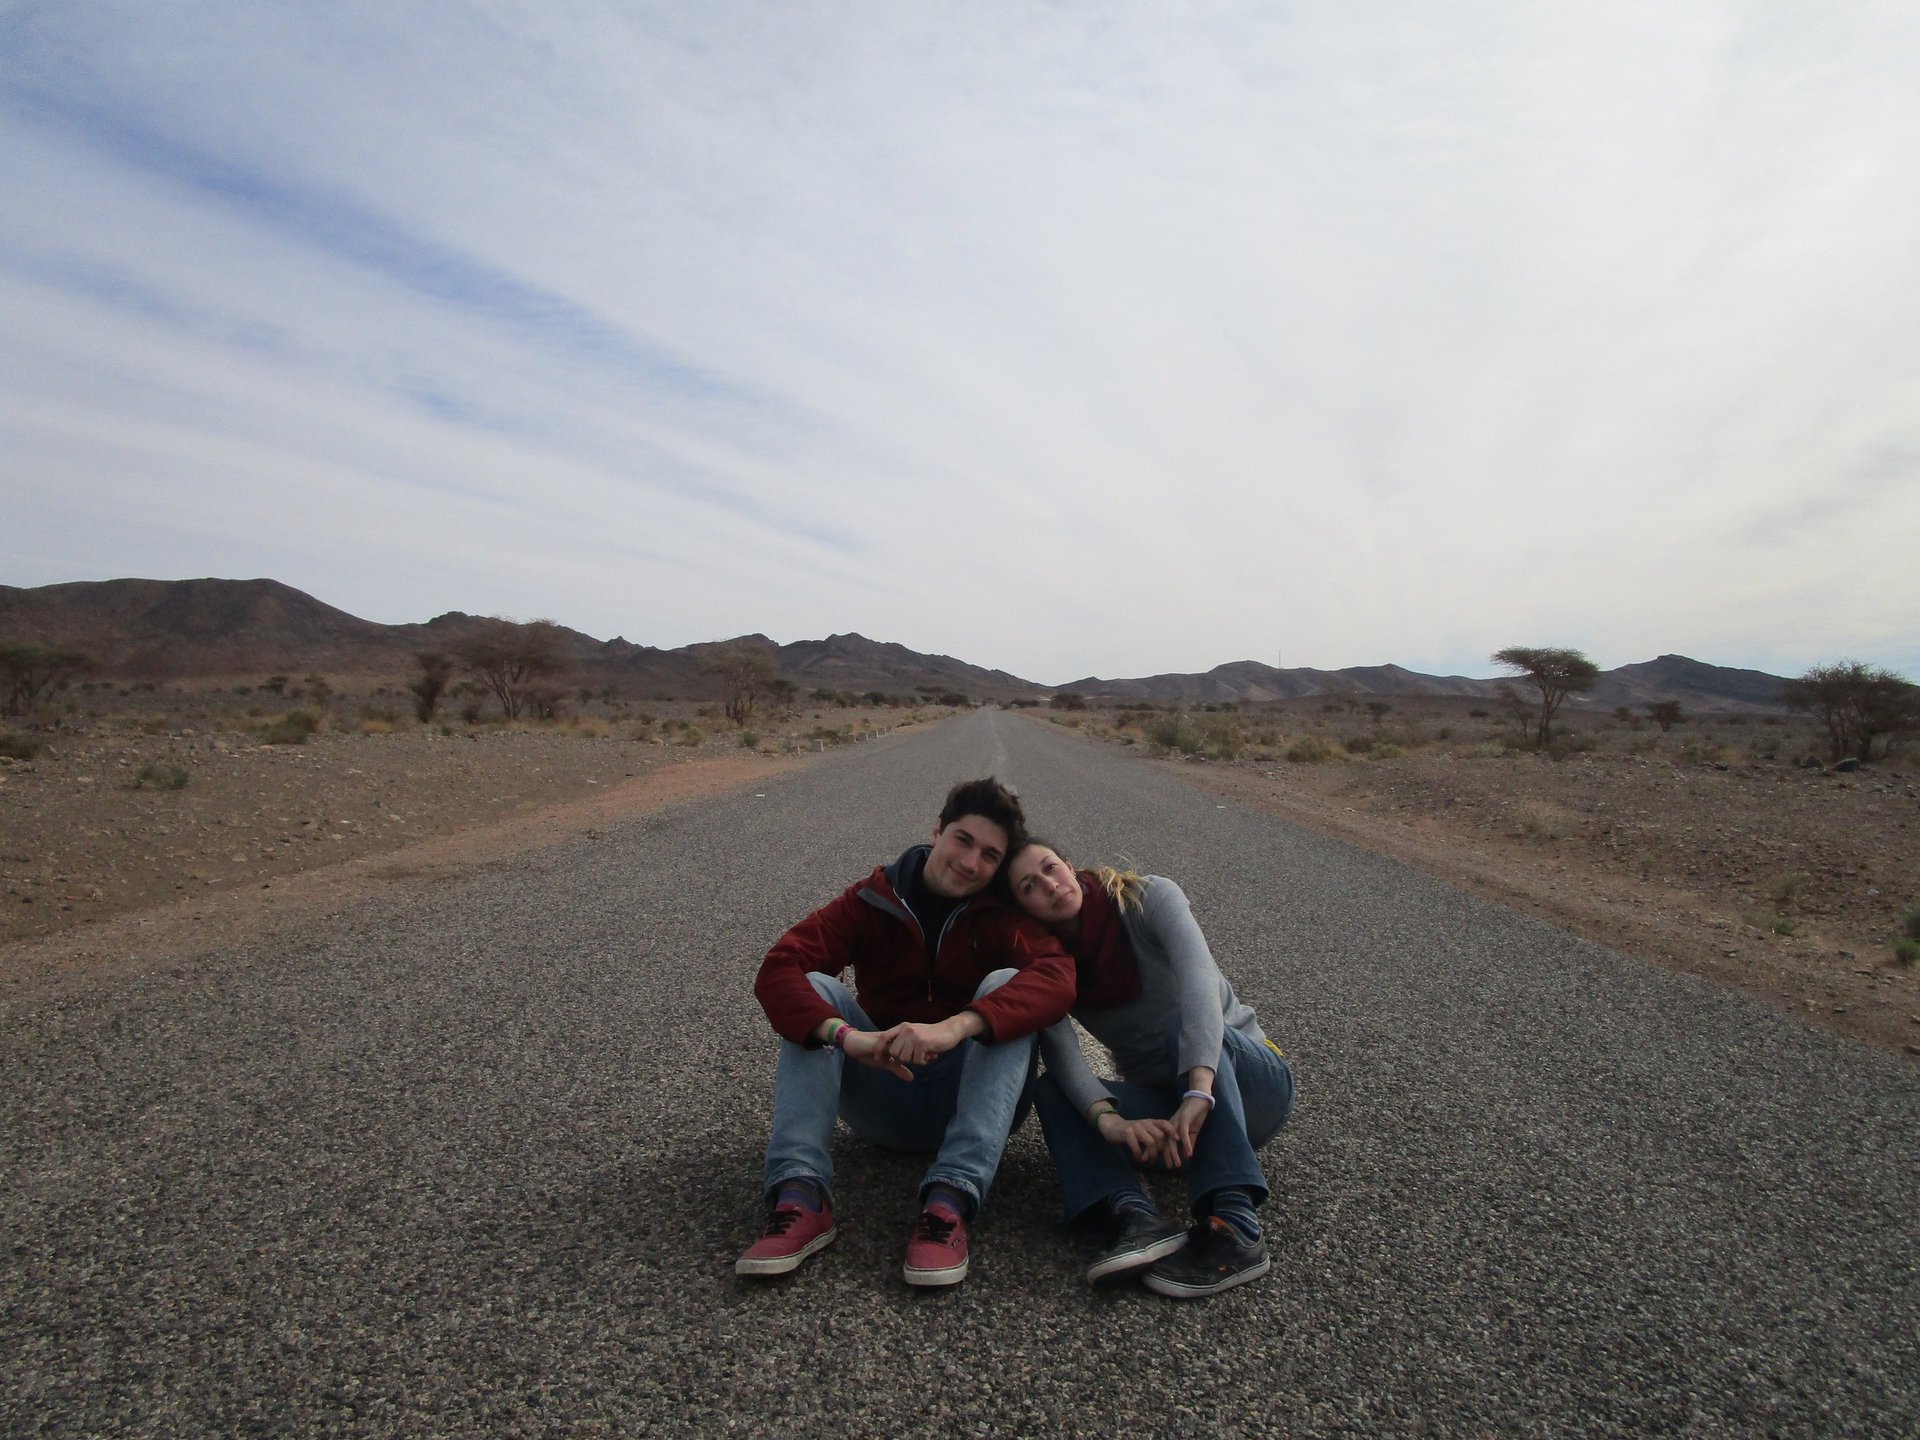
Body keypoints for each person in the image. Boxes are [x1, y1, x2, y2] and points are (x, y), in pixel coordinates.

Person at [738, 777, 1076, 1287]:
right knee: (814, 987)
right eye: (963, 840)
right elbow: (780, 966)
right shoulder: (874, 900)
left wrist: (956, 1027)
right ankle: (800, 1195)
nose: (970, 863)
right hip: (884, 1097)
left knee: (1011, 984)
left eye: (989, 855)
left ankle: (949, 1201)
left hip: (970, 1100)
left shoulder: (1000, 916)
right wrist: (849, 1037)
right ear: (937, 830)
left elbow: (1057, 976)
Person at [1005, 840, 1296, 1298]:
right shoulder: (1046, 960)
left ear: (1070, 866)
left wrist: (1199, 1087)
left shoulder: (1149, 897)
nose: (1049, 885)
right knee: (1054, 1089)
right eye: (1029, 886)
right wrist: (1111, 1122)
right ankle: (1133, 1216)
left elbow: (1200, 988)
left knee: (1180, 1025)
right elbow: (1061, 1048)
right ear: (1022, 908)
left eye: (1050, 868)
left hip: (1247, 1086)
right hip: (1171, 1113)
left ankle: (1237, 1224)